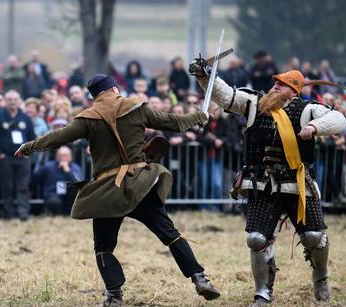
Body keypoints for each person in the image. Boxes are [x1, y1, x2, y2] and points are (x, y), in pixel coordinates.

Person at [14, 74, 220, 306]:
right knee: (170, 235)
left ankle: (114, 295)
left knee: (103, 247)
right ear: (114, 89)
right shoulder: (136, 107)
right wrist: (199, 116)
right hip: (140, 185)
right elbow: (174, 122)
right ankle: (199, 278)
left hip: (108, 191)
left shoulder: (88, 117)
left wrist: (29, 147)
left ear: (95, 95)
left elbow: (58, 137)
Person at [190, 60, 346, 305]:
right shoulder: (254, 103)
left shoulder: (308, 109)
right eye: (275, 82)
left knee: (314, 236)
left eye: (281, 84)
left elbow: (339, 120)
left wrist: (315, 126)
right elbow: (226, 95)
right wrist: (205, 76)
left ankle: (320, 279)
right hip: (261, 185)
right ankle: (263, 291)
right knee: (256, 239)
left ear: (294, 91)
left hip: (297, 185)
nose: (274, 86)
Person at [0, 90, 36, 220]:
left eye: (15, 99)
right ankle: (9, 214)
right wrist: (0, 154)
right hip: (6, 158)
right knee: (7, 186)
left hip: (22, 158)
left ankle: (23, 213)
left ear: (19, 101)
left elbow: (32, 137)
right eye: (10, 99)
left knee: (23, 185)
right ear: (5, 101)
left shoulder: (25, 117)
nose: (13, 102)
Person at [32, 146, 81, 215]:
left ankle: (69, 214)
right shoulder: (48, 167)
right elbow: (36, 177)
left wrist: (68, 171)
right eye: (61, 156)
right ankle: (57, 214)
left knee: (76, 195)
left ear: (70, 157)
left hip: (69, 195)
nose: (63, 158)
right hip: (53, 194)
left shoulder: (75, 168)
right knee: (54, 202)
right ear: (56, 157)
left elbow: (79, 183)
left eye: (66, 156)